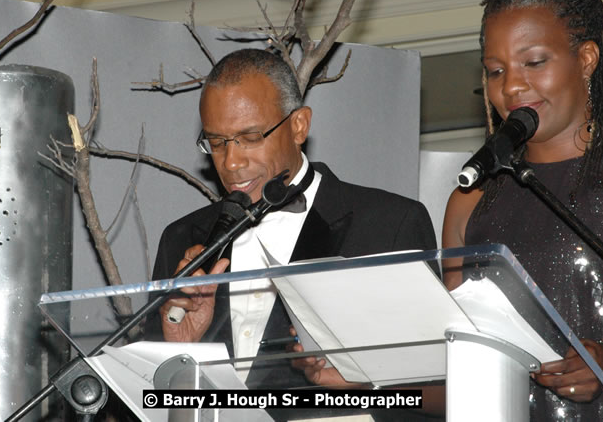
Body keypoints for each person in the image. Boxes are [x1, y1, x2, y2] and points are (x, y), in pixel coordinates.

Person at [442, 0, 603, 420]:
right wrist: (361, 381)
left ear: (586, 59)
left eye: (534, 62)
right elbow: (456, 371)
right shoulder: (469, 202)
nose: (512, 86)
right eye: (496, 70)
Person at [147, 48, 436, 390]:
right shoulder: (181, 239)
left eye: (251, 137)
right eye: (218, 143)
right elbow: (152, 398)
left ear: (299, 125)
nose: (231, 162)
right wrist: (181, 354)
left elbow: (433, 387)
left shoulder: (391, 225)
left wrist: (361, 382)